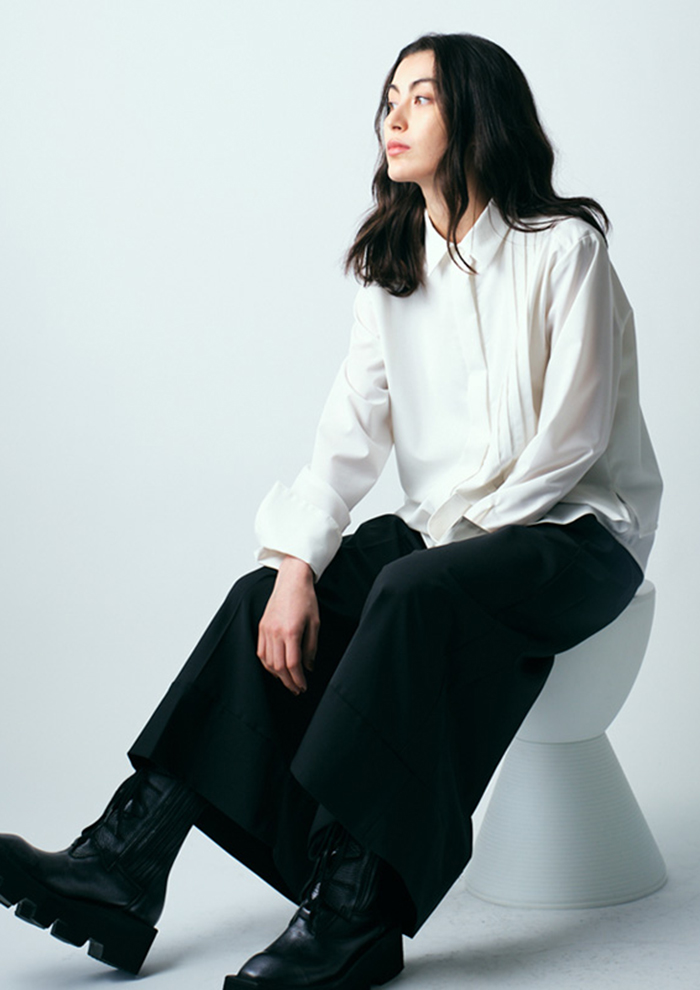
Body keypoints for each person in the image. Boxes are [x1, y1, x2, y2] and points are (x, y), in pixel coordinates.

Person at [0, 31, 662, 990]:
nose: (395, 115)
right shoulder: (392, 268)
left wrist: (435, 551)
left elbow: (572, 442)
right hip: (447, 534)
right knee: (259, 603)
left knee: (414, 589)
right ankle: (124, 862)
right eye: (390, 97)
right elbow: (346, 436)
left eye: (422, 97)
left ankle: (356, 908)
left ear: (478, 113)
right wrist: (297, 566)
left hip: (578, 530)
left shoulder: (565, 250)